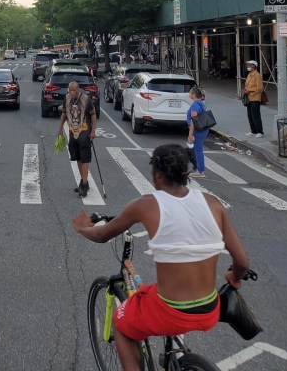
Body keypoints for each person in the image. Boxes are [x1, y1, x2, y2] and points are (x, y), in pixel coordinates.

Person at [73, 144, 250, 371]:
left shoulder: (146, 205)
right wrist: (234, 278)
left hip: (169, 311)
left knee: (122, 324)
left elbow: (101, 235)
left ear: (157, 174)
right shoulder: (212, 203)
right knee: (151, 292)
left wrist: (81, 228)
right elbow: (242, 262)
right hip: (209, 310)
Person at [57, 81, 97, 198]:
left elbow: (93, 114)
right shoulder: (67, 98)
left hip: (85, 133)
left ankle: (84, 184)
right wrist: (60, 129)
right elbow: (64, 113)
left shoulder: (85, 99)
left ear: (78, 89)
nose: (72, 92)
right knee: (78, 158)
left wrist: (93, 130)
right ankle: (83, 181)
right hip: (72, 133)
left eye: (74, 90)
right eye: (70, 90)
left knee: (84, 159)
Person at [187, 86, 209, 178]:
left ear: (194, 95)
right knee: (196, 149)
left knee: (198, 150)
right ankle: (197, 168)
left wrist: (190, 134)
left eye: (190, 92)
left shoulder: (195, 105)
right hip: (202, 129)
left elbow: (193, 120)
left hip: (198, 130)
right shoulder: (200, 103)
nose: (189, 93)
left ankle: (200, 171)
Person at [242, 60, 264, 137]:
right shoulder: (249, 74)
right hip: (249, 98)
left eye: (250, 65)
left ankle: (260, 132)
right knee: (250, 115)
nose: (248, 66)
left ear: (254, 66)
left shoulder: (257, 75)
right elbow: (248, 85)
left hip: (255, 98)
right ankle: (253, 130)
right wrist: (245, 90)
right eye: (248, 65)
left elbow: (260, 88)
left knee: (256, 115)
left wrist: (249, 90)